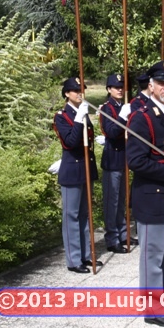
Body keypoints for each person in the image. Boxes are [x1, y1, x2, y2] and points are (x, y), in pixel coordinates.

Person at [125, 60, 164, 328]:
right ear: (150, 86)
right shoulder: (142, 117)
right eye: (161, 83)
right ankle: (154, 310)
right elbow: (136, 162)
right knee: (153, 257)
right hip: (152, 196)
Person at [53, 77, 100, 273]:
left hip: (85, 168)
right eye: (75, 91)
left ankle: (85, 255)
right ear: (66, 94)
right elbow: (71, 142)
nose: (80, 94)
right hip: (72, 171)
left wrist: (82, 116)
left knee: (84, 214)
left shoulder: (82, 111)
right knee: (71, 216)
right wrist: (79, 119)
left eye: (82, 90)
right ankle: (74, 260)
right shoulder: (62, 116)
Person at [98, 74, 129, 254]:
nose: (120, 89)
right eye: (116, 87)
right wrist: (123, 118)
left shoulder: (122, 106)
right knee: (112, 201)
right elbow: (111, 132)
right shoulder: (107, 109)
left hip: (124, 157)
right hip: (113, 158)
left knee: (122, 199)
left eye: (121, 86)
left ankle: (123, 234)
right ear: (109, 89)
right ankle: (112, 238)